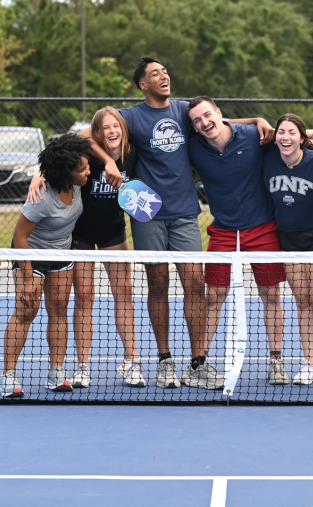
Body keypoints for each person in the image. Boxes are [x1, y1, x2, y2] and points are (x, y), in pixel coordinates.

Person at [79, 57, 274, 389]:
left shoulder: (184, 111)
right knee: (157, 287)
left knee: (195, 287)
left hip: (185, 214)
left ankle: (198, 363)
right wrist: (109, 161)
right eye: (155, 74)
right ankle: (165, 360)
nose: (163, 76)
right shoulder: (131, 116)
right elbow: (87, 133)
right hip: (147, 216)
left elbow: (216, 120)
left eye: (165, 71)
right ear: (143, 84)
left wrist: (256, 118)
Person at [28, 107, 144, 389]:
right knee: (84, 296)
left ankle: (132, 361)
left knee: (124, 292)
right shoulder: (87, 150)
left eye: (116, 125)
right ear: (97, 132)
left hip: (113, 232)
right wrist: (37, 174)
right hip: (80, 234)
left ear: (124, 129)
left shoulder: (134, 151)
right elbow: (67, 145)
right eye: (105, 128)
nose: (112, 131)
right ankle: (82, 367)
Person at [187, 96, 290, 386]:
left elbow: (292, 142)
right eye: (197, 120)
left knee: (270, 295)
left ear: (219, 113)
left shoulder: (253, 137)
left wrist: (259, 120)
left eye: (208, 115)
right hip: (223, 231)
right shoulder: (193, 147)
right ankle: (199, 363)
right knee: (214, 297)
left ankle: (276, 360)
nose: (204, 122)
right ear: (193, 127)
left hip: (263, 228)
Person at [0, 134, 92, 398]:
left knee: (59, 309)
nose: (87, 171)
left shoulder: (78, 182)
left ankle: (56, 372)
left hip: (62, 252)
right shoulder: (41, 197)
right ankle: (8, 376)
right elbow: (20, 236)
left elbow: (87, 134)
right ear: (64, 172)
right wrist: (28, 278)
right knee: (26, 310)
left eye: (86, 166)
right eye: (82, 169)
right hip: (32, 252)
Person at [262, 114, 313, 385]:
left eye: (292, 132)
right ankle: (310, 363)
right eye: (281, 132)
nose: (285, 137)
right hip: (288, 238)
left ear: (302, 137)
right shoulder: (268, 160)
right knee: (303, 302)